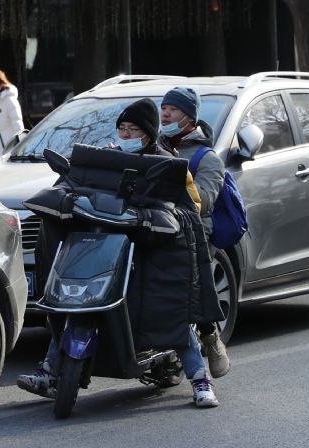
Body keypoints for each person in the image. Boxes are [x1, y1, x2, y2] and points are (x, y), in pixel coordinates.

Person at [18, 98, 218, 408]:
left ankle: (200, 380)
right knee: (74, 304)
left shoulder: (168, 164)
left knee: (168, 309)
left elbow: (188, 208)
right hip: (105, 250)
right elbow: (78, 185)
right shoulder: (107, 159)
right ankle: (49, 372)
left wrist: (153, 218)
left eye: (133, 130)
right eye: (122, 129)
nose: (126, 135)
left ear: (148, 133)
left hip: (148, 252)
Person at [158, 85, 231, 396]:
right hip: (156, 229)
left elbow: (201, 202)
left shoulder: (207, 158)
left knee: (189, 295)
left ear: (189, 117)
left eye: (172, 110)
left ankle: (210, 338)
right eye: (163, 109)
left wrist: (177, 172)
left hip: (192, 236)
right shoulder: (151, 144)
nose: (165, 114)